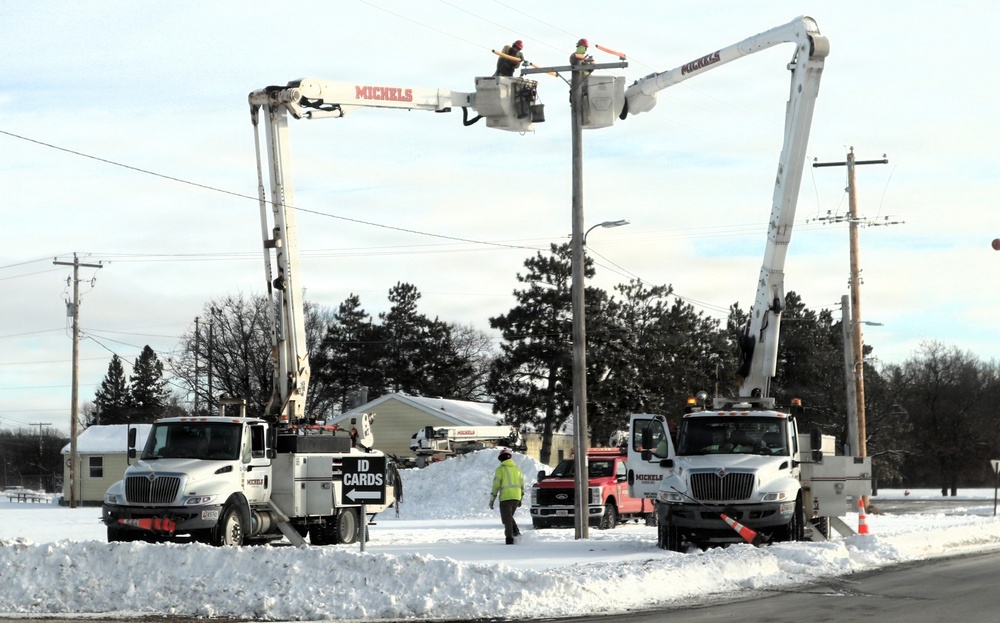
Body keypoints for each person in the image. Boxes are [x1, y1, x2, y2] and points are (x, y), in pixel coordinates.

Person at [488, 448, 524, 544]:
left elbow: (496, 485)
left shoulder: (500, 470)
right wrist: (521, 498)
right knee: (509, 517)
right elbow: (522, 485)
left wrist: (492, 499)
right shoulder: (518, 469)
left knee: (506, 520)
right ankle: (517, 534)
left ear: (500, 459)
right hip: (516, 497)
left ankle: (509, 539)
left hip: (506, 498)